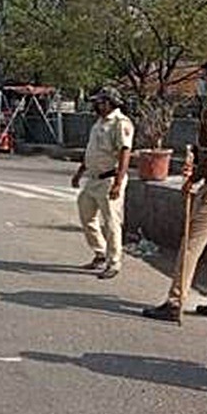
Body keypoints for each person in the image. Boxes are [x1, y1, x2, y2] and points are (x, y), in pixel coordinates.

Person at [143, 60, 207, 323]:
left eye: (202, 79)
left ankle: (175, 301)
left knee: (191, 243)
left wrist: (195, 177)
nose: (199, 84)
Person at [70, 86, 134, 280]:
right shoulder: (99, 122)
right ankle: (100, 252)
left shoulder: (120, 123)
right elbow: (91, 151)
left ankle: (114, 262)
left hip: (110, 178)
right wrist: (80, 172)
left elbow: (125, 153)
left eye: (100, 102)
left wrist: (118, 183)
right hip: (93, 178)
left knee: (112, 222)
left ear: (109, 103)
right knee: (86, 214)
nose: (96, 106)